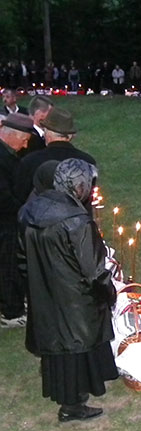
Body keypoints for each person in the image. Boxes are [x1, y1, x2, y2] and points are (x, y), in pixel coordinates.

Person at [18, 158, 117, 421]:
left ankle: (71, 397)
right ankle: (72, 405)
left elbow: (21, 259)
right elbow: (93, 269)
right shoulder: (76, 221)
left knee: (58, 346)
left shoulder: (28, 212)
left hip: (44, 293)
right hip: (75, 299)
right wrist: (108, 293)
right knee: (74, 347)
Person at [14, 107, 96, 206]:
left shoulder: (30, 161)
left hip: (39, 218)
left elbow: (20, 198)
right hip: (77, 219)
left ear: (47, 132)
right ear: (71, 136)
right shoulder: (87, 161)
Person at [0, 114, 33, 328]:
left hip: (10, 218)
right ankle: (10, 311)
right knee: (8, 264)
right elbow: (3, 196)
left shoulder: (8, 155)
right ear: (12, 135)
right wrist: (23, 207)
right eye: (24, 139)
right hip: (6, 221)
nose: (26, 144)